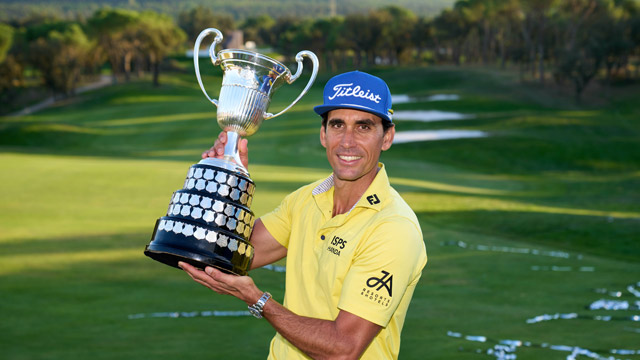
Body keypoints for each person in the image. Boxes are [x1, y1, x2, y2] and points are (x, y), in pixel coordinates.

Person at [179, 70, 427, 360]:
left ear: (387, 137)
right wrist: (229, 182)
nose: (347, 141)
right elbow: (226, 255)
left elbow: (343, 349)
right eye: (337, 125)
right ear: (323, 134)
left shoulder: (394, 228)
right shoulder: (305, 200)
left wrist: (259, 301)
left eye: (363, 127)